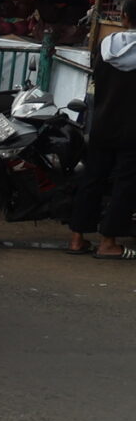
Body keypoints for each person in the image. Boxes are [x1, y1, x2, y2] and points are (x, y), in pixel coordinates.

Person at [67, 15, 136, 259]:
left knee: (92, 178)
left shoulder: (106, 45)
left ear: (125, 18)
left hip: (102, 123)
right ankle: (108, 243)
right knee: (125, 185)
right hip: (132, 129)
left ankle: (77, 238)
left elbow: (96, 79)